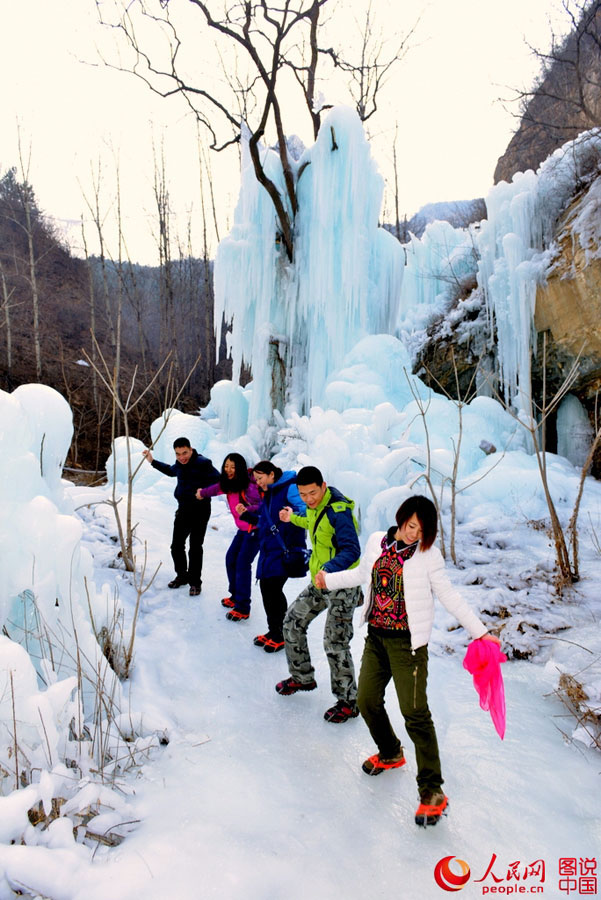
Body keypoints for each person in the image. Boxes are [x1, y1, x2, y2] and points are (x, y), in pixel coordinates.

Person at [318, 494, 501, 827]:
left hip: (408, 646)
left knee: (415, 713)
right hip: (376, 639)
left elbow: (449, 596)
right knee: (366, 701)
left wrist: (481, 632)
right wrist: (328, 580)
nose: (414, 533)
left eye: (421, 530)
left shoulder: (429, 556)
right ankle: (390, 752)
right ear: (401, 518)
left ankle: (432, 790)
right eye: (411, 525)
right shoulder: (378, 542)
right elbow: (361, 575)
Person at [276, 465, 363, 724]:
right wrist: (292, 517)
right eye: (303, 494)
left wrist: (329, 569)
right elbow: (312, 523)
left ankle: (348, 702)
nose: (308, 499)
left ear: (323, 486)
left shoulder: (339, 512)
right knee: (292, 621)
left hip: (342, 584)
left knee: (335, 642)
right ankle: (302, 677)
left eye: (312, 493)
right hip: (321, 581)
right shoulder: (314, 507)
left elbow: (352, 550)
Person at [142, 438, 219, 596]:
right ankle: (182, 576)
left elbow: (219, 481)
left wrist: (205, 492)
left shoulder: (203, 463)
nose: (181, 457)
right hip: (183, 509)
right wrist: (152, 461)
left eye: (184, 453)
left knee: (195, 547)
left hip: (201, 510)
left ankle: (195, 583)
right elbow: (171, 470)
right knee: (176, 546)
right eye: (178, 454)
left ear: (191, 449)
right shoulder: (180, 464)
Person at [196, 453, 262, 622]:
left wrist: (248, 510)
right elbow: (216, 489)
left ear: (240, 468)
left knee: (242, 564)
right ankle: (235, 596)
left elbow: (262, 505)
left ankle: (243, 607)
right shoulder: (228, 483)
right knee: (231, 559)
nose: (229, 470)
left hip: (255, 530)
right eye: (226, 466)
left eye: (233, 467)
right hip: (243, 530)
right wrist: (202, 493)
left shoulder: (249, 487)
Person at [250, 461, 307, 653]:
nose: (258, 483)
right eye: (256, 479)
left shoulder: (290, 488)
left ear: (272, 474)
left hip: (285, 549)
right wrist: (248, 516)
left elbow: (306, 509)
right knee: (267, 590)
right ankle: (274, 630)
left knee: (272, 589)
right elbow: (266, 519)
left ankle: (280, 635)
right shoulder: (270, 491)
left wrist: (293, 513)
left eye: (260, 478)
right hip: (270, 549)